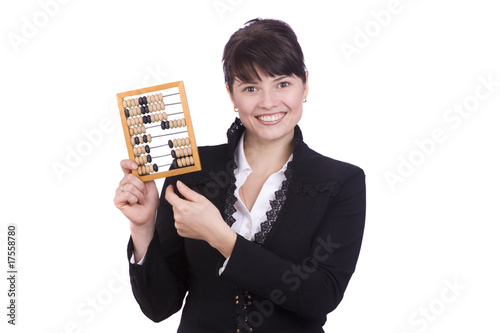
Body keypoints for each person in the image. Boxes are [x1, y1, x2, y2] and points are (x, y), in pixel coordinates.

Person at [114, 18, 366, 333]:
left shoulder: (341, 182)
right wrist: (142, 226)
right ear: (232, 95)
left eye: (283, 83)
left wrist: (221, 238)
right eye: (250, 87)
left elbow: (319, 295)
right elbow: (159, 306)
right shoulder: (191, 170)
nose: (269, 102)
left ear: (305, 84)